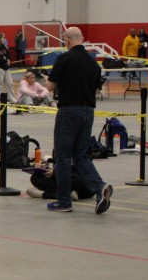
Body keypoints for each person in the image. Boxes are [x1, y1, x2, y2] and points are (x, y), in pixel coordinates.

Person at [44, 26, 113, 214]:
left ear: (66, 40)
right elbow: (96, 86)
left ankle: (64, 201)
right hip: (88, 111)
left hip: (69, 111)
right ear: (81, 39)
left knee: (63, 157)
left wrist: (47, 81)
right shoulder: (93, 63)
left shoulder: (64, 58)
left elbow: (50, 86)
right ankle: (99, 187)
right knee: (81, 155)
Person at [0, 32, 16, 107]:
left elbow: (8, 54)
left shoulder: (3, 45)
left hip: (6, 68)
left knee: (10, 84)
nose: (4, 39)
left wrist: (9, 60)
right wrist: (5, 61)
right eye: (3, 37)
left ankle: (13, 100)